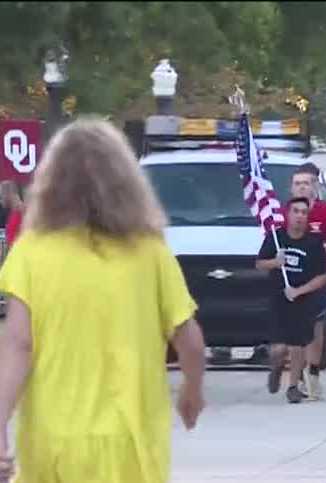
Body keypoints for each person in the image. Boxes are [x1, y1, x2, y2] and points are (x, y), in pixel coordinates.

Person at [0, 119, 206, 483]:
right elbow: (188, 339)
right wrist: (192, 391)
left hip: (51, 446)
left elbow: (18, 345)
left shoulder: (30, 253)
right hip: (131, 447)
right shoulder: (150, 252)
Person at [258, 197, 326, 404]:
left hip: (302, 300)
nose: (300, 216)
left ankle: (293, 386)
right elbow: (259, 263)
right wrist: (275, 262)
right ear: (287, 214)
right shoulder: (276, 237)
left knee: (298, 345)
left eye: (304, 213)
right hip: (278, 299)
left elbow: (323, 276)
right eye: (296, 211)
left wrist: (300, 291)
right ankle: (277, 366)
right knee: (279, 348)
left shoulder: (314, 242)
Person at [287, 162, 326, 400]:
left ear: (315, 187)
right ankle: (296, 377)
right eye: (297, 184)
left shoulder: (325, 213)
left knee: (314, 326)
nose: (302, 188)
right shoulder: (284, 213)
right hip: (290, 280)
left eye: (306, 183)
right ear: (291, 188)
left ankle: (312, 373)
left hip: (318, 279)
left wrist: (317, 248)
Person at [0, 181, 24, 249]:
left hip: (16, 248)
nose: (1, 200)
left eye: (1, 196)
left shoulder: (20, 211)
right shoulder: (12, 211)